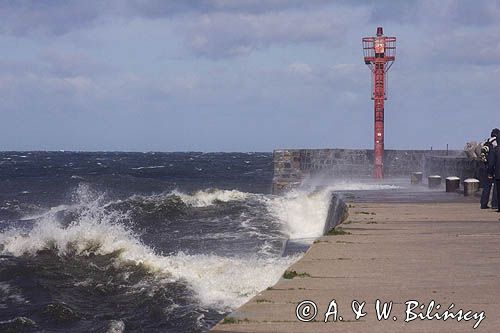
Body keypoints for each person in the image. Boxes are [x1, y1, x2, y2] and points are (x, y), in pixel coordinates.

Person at [481, 128, 499, 209]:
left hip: (484, 166)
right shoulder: (495, 142)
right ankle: (495, 204)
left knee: (486, 186)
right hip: (493, 166)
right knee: (496, 186)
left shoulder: (486, 141)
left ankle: (483, 203)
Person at [487, 132, 500, 212]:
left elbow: (491, 163)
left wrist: (490, 173)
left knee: (498, 191)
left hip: (498, 174)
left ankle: (498, 206)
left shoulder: (495, 150)